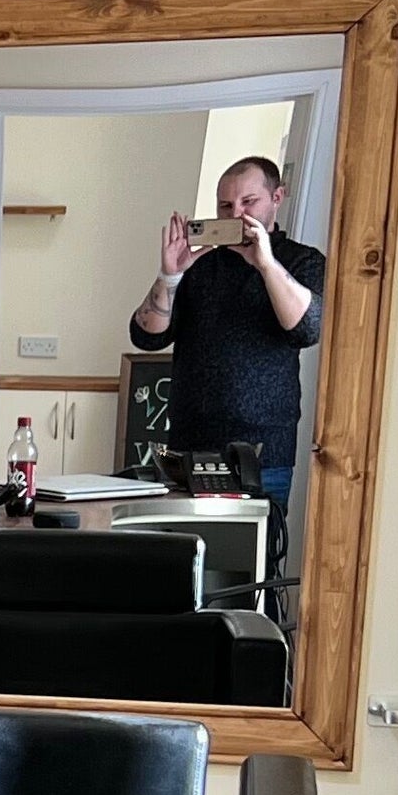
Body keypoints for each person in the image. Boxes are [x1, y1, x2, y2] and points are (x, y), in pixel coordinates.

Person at [130, 156, 326, 557]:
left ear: (277, 197)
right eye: (224, 206)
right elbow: (146, 337)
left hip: (264, 455)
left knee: (254, 569)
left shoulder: (302, 261)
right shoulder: (199, 265)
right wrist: (170, 276)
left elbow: (307, 329)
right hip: (187, 451)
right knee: (182, 568)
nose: (236, 214)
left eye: (248, 202)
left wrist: (266, 264)